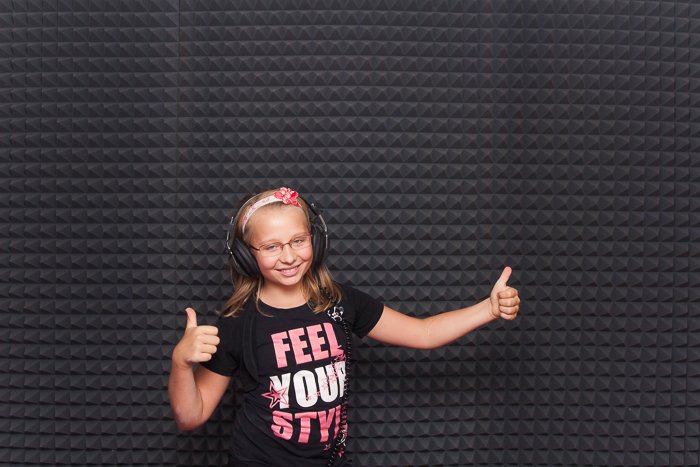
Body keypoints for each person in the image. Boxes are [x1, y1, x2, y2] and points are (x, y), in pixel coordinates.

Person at [168, 186, 520, 466]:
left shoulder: (340, 301)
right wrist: (181, 363)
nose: (288, 256)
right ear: (247, 256)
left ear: (315, 240)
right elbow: (191, 416)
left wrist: (487, 310)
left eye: (298, 241)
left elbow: (423, 333)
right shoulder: (237, 323)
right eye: (271, 247)